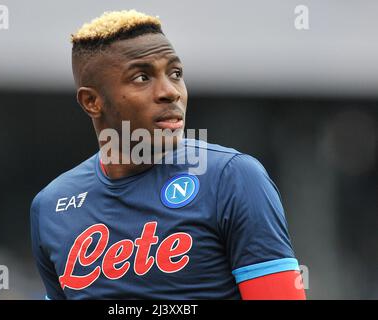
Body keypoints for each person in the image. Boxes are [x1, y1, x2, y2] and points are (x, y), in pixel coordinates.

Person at [30, 9, 306, 300]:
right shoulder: (51, 207)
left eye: (175, 73)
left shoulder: (233, 178)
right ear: (92, 101)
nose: (170, 92)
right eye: (141, 77)